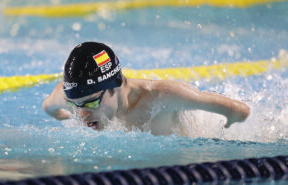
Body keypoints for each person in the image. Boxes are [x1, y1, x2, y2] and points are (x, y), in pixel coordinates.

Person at [43, 42, 250, 136]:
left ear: (114, 86)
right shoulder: (77, 98)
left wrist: (228, 127)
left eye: (90, 102)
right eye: (75, 104)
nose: (82, 114)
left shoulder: (161, 96)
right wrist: (61, 114)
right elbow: (49, 107)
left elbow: (239, 110)